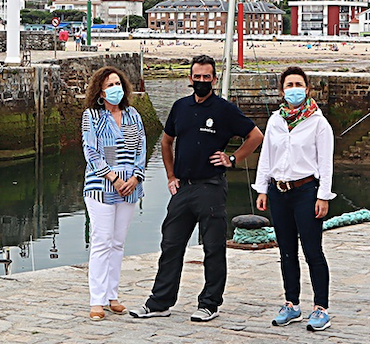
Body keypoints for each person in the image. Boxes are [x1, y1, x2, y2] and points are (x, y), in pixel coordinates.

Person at [130, 55, 263, 322]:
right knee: (170, 245)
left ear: (214, 79)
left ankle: (209, 303)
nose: (202, 81)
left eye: (207, 77)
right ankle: (160, 302)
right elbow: (167, 142)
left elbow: (256, 135)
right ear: (190, 78)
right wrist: (170, 175)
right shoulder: (180, 107)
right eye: (197, 76)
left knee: (213, 248)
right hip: (182, 189)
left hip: (211, 187)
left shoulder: (224, 109)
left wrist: (233, 158)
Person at [253, 66, 334, 332]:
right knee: (287, 252)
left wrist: (323, 196)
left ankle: (321, 307)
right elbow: (267, 156)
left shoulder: (318, 123)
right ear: (282, 90)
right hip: (279, 191)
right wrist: (262, 189)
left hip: (306, 191)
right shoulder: (276, 120)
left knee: (312, 251)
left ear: (307, 89)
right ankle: (292, 304)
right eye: (289, 85)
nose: (294, 89)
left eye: (299, 84)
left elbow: (326, 163)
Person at [81, 65, 148, 321]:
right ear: (100, 90)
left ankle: (112, 296)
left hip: (130, 187)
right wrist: (113, 178)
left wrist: (135, 177)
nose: (115, 89)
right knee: (101, 241)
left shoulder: (133, 115)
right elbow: (91, 152)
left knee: (118, 243)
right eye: (109, 85)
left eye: (118, 84)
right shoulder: (92, 116)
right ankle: (96, 300)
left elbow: (141, 148)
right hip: (101, 188)